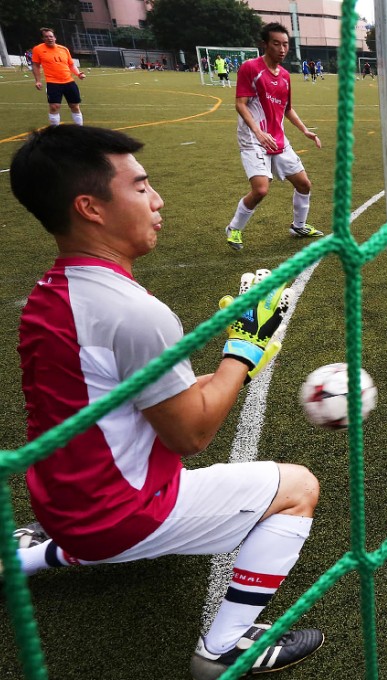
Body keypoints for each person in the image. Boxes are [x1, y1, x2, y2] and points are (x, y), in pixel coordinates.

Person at [5, 124, 325, 678]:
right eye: (141, 187)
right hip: (117, 513)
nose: (158, 200)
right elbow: (190, 434)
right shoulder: (134, 313)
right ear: (90, 207)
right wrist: (243, 354)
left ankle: (28, 553)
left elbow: (142, 401)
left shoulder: (50, 291)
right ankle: (223, 649)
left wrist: (234, 364)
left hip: (59, 500)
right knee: (299, 488)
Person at [224, 22, 323, 251]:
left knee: (304, 184)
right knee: (260, 190)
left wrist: (305, 130)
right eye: (276, 44)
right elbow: (241, 104)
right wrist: (258, 132)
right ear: (265, 44)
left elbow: (287, 108)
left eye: (285, 44)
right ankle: (234, 228)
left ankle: (298, 226)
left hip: (278, 139)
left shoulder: (286, 76)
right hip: (253, 139)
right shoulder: (251, 68)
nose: (282, 49)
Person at [31, 27, 87, 127]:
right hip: (53, 83)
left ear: (55, 38)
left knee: (74, 105)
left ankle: (80, 129)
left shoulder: (64, 49)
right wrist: (38, 81)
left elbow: (71, 64)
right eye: (46, 37)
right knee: (54, 107)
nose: (49, 38)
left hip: (69, 82)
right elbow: (35, 65)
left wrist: (78, 74)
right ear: (43, 39)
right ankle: (54, 131)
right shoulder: (38, 49)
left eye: (51, 36)